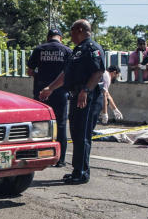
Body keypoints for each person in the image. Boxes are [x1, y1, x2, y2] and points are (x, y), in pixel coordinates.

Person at [39, 20, 105, 184]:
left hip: (87, 97)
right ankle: (77, 170)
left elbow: (98, 72)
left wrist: (86, 90)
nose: (70, 35)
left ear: (81, 30)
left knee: (82, 135)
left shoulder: (92, 48)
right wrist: (51, 88)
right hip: (76, 95)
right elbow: (65, 74)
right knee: (76, 133)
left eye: (72, 31)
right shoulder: (78, 50)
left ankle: (82, 172)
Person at [28, 28, 73, 167]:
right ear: (61, 37)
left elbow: (30, 71)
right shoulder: (67, 51)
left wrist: (40, 76)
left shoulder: (39, 49)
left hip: (41, 92)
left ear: (48, 38)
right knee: (60, 125)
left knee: (39, 125)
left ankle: (39, 157)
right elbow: (69, 73)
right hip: (60, 93)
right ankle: (60, 160)